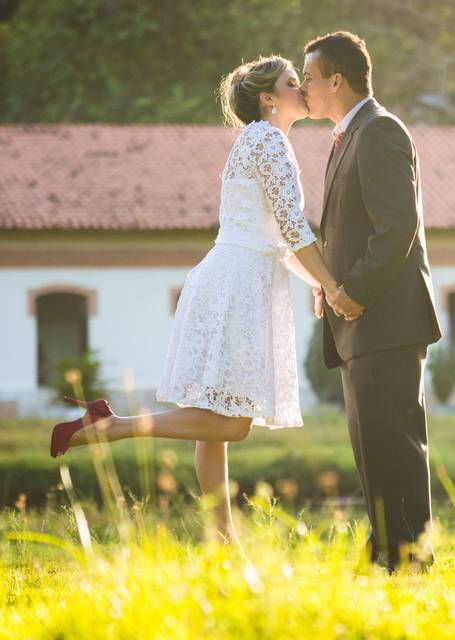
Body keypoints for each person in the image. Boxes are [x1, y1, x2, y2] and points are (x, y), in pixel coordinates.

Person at [49, 55, 347, 548]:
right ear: (269, 99)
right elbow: (293, 228)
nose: (303, 88)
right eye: (294, 83)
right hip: (238, 287)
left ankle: (221, 543)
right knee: (232, 423)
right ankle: (115, 424)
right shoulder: (270, 140)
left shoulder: (251, 141)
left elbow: (270, 237)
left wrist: (310, 280)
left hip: (224, 276)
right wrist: (331, 284)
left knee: (213, 424)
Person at [299, 31, 443, 573]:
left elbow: (395, 228)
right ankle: (387, 550)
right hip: (357, 321)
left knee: (396, 445)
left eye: (308, 79)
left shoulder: (380, 131)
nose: (304, 88)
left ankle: (410, 558)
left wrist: (353, 293)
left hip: (386, 318)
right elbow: (350, 233)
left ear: (337, 79)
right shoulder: (347, 135)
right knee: (372, 446)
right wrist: (328, 286)